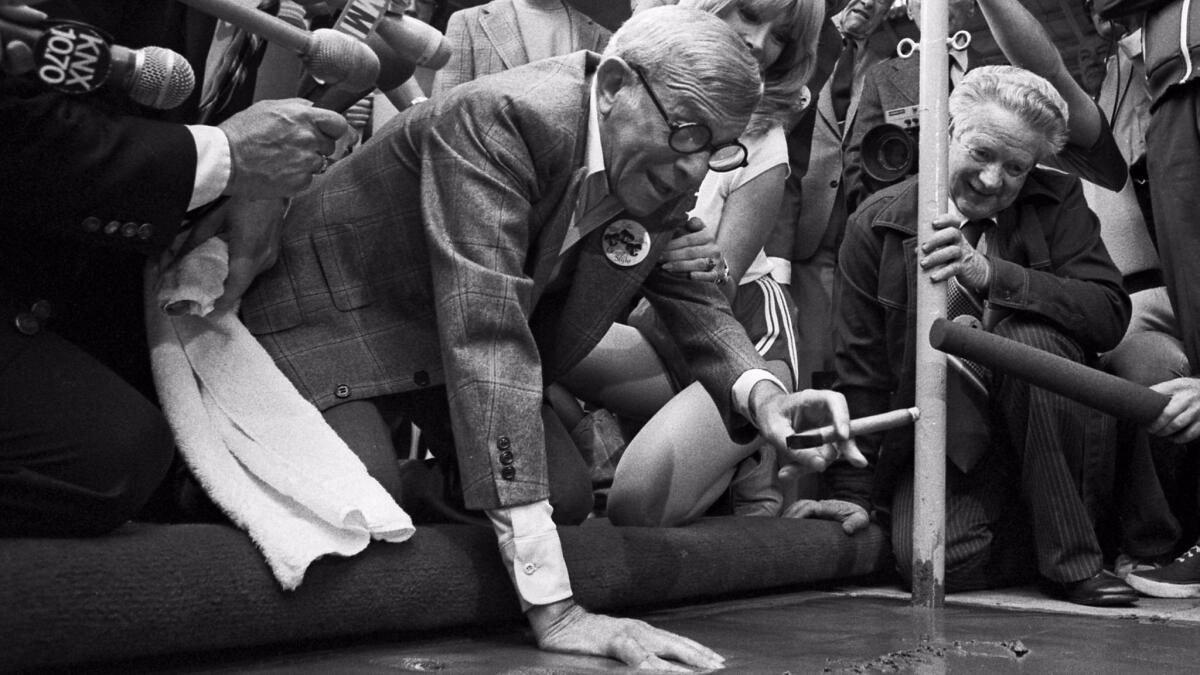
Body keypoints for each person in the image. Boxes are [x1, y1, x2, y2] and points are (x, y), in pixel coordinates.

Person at [238, 6, 863, 667]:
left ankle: (429, 485)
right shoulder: (500, 118)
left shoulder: (664, 153)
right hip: (340, 320)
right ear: (617, 84)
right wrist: (556, 608)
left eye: (718, 149)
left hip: (440, 345)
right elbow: (489, 336)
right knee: (359, 500)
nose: (694, 171)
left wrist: (766, 398)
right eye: (687, 134)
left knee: (562, 495)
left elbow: (694, 300)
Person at [0, 0, 350, 536]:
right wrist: (224, 159)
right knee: (115, 456)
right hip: (27, 269)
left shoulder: (268, 24)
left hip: (94, 270)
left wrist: (258, 194)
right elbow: (22, 138)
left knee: (223, 470)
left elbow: (227, 134)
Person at [806, 65, 1139, 606]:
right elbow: (862, 370)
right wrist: (854, 496)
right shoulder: (875, 224)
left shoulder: (1059, 203)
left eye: (1016, 168)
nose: (992, 180)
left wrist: (994, 277)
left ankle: (1075, 562)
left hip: (1055, 423)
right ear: (947, 133)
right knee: (940, 561)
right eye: (981, 153)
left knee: (1030, 340)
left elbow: (1108, 314)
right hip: (950, 437)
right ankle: (1043, 526)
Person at [559, 0, 822, 526]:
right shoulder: (618, 96)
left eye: (781, 38)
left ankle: (742, 462)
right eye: (749, 14)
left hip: (735, 327)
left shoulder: (765, 141)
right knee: (531, 330)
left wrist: (689, 263)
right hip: (636, 319)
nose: (758, 42)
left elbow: (706, 298)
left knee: (636, 508)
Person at [843, 0, 1128, 212]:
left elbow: (1052, 77)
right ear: (909, 9)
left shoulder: (1005, 77)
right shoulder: (881, 77)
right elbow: (859, 170)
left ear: (972, 7)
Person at [786, 0, 897, 393]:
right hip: (801, 218)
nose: (867, 0)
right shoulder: (802, 32)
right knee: (805, 346)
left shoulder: (902, 51)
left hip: (862, 223)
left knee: (853, 348)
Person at [431, 0, 611, 97]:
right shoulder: (468, 22)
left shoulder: (600, 36)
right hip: (486, 161)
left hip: (567, 164)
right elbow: (443, 115)